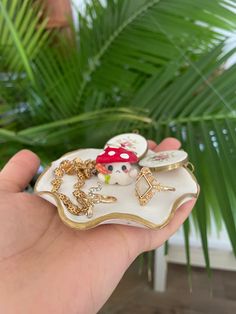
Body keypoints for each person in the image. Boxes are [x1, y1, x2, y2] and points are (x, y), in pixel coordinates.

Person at [0, 138, 197, 314]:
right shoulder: (101, 174)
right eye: (111, 167)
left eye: (123, 167)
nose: (117, 170)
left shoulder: (130, 173)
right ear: (104, 168)